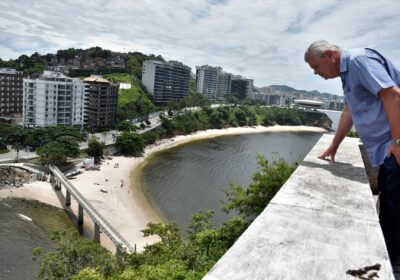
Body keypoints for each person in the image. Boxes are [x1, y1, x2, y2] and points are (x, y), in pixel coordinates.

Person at [304, 40, 400, 266]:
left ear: (329, 55)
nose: (317, 74)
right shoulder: (347, 74)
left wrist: (397, 141)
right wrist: (334, 145)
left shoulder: (359, 61)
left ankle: (393, 263)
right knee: (388, 203)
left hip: (392, 146)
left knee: (394, 208)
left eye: (316, 67)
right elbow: (350, 110)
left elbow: (392, 95)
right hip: (384, 149)